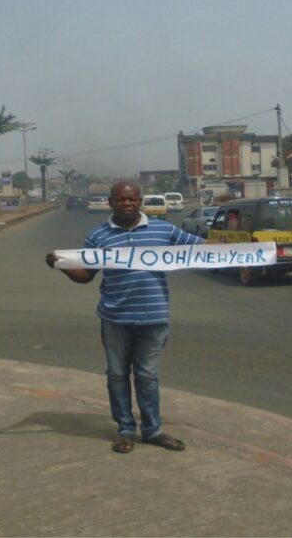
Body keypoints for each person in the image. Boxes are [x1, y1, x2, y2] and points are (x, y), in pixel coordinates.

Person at [45, 181, 204, 454]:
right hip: (115, 317)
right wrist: (61, 265)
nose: (127, 203)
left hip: (154, 318)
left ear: (139, 201)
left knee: (147, 375)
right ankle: (126, 430)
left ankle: (153, 430)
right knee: (117, 375)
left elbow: (205, 251)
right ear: (111, 202)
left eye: (132, 199)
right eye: (121, 199)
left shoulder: (164, 230)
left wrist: (249, 250)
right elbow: (86, 276)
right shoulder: (99, 236)